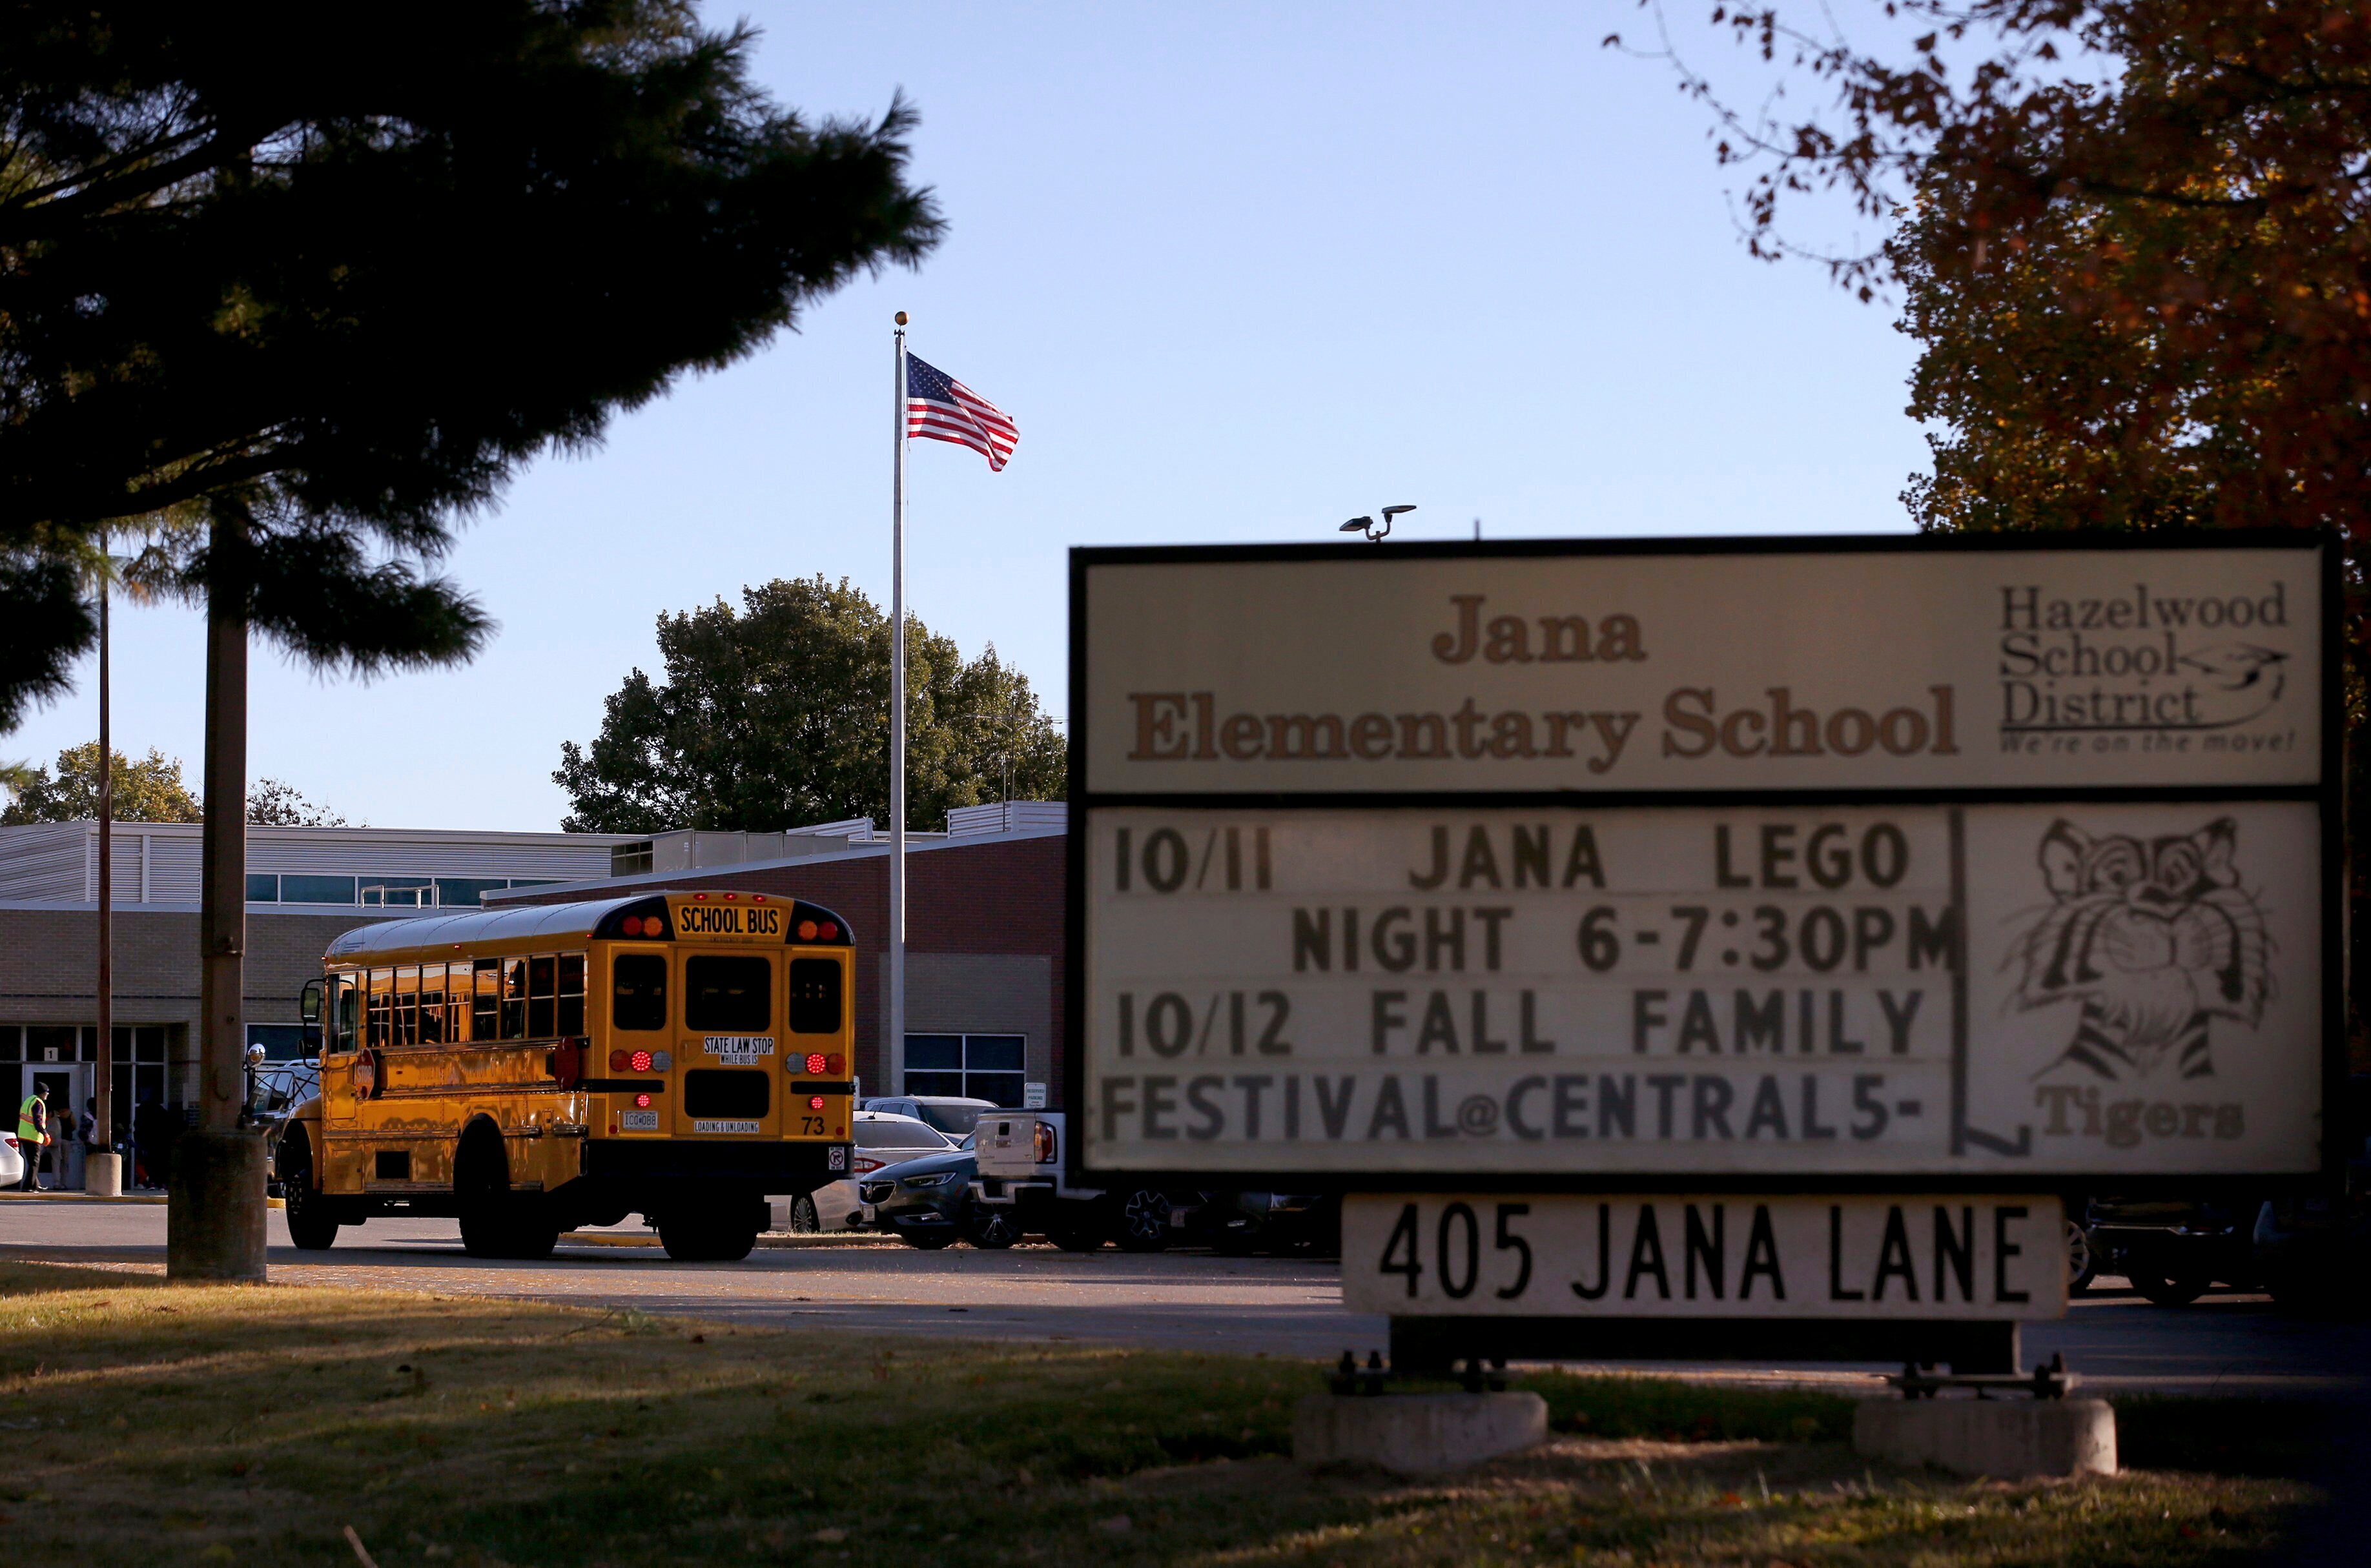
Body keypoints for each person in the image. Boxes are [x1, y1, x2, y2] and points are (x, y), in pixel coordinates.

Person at [14, 1086, 49, 1192]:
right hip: (32, 1136)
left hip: (24, 1135)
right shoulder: (38, 1103)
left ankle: (35, 1184)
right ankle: (28, 1186)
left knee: (31, 1161)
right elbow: (37, 1120)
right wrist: (45, 1134)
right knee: (35, 1162)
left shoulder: (28, 1101)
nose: (48, 1094)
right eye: (47, 1092)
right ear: (42, 1093)